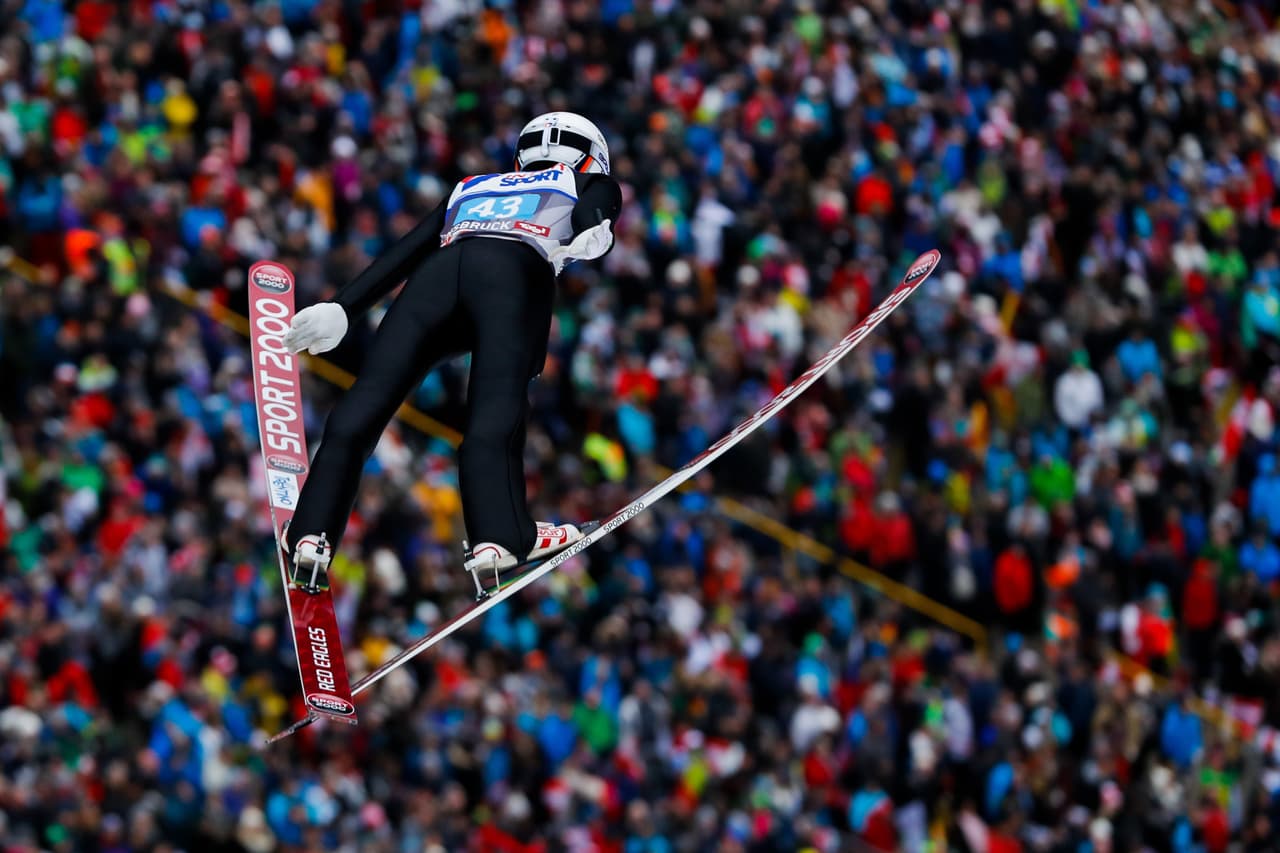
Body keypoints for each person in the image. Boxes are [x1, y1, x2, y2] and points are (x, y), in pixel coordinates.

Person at [279, 112, 622, 582]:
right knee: (494, 410)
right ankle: (498, 537)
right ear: (591, 154)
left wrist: (343, 308)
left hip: (437, 280)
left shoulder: (473, 184)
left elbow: (407, 249)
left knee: (367, 401)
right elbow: (598, 205)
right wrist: (593, 229)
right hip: (513, 275)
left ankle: (310, 532)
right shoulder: (577, 179)